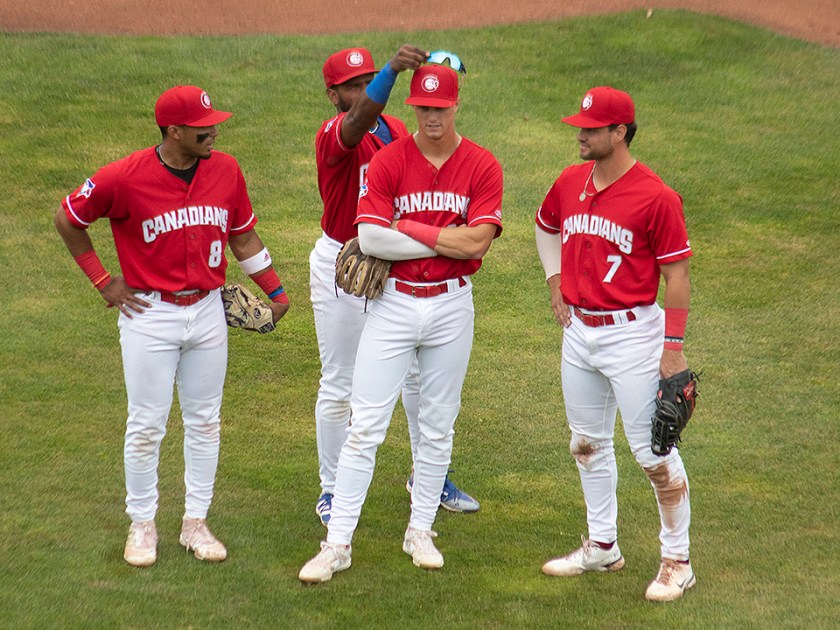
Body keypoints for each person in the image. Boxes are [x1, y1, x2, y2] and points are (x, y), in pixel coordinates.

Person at [54, 85, 290, 568]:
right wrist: (103, 281)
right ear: (174, 130)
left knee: (205, 421)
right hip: (149, 315)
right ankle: (142, 524)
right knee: (146, 424)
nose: (214, 132)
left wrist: (276, 291)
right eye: (203, 127)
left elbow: (241, 236)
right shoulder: (122, 176)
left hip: (208, 311)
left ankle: (195, 523)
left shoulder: (225, 170)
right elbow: (68, 217)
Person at [300, 62, 504, 583]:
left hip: (452, 306)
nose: (431, 117)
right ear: (410, 105)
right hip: (392, 305)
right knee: (365, 423)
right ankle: (337, 543)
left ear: (455, 105)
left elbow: (478, 242)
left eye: (440, 108)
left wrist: (406, 227)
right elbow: (370, 240)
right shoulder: (390, 159)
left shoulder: (483, 165)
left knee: (437, 425)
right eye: (422, 108)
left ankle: (421, 530)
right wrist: (443, 236)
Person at [534, 86, 696, 602]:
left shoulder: (656, 196)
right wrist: (554, 280)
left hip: (633, 335)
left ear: (619, 132)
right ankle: (603, 545)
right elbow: (545, 227)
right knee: (586, 443)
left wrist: (673, 347)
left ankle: (678, 561)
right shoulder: (569, 181)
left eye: (590, 128)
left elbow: (677, 275)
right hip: (578, 333)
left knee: (654, 453)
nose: (579, 135)